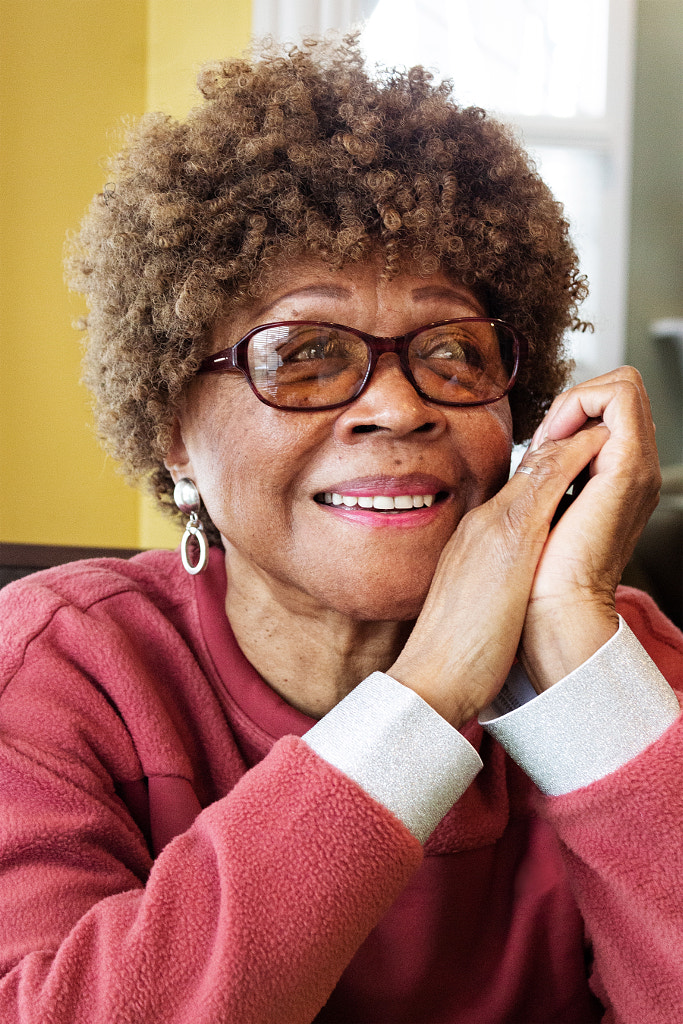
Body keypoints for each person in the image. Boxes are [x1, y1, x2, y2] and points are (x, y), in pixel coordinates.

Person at [0, 36, 681, 1024]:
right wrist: (425, 692)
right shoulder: (61, 672)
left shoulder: (617, 664)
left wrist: (575, 656)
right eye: (303, 354)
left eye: (451, 351)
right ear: (172, 429)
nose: (399, 407)